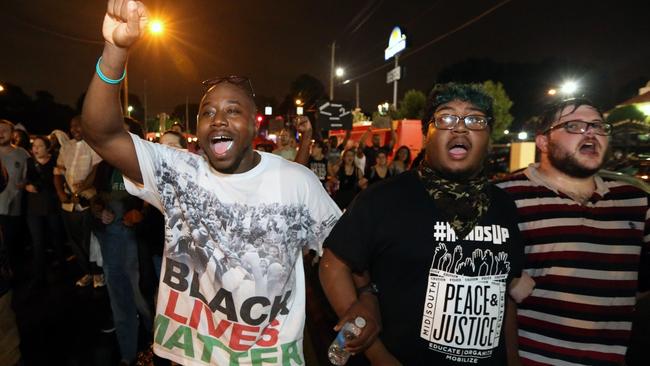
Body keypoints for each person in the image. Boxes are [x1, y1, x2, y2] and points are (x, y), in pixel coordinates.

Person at [80, 2, 341, 365]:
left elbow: (343, 252)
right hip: (190, 357)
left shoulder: (296, 182)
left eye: (233, 111)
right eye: (208, 112)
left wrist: (360, 306)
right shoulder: (178, 173)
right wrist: (116, 50)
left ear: (254, 126)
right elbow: (101, 133)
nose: (218, 120)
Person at [320, 83, 526, 365]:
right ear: (427, 133)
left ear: (488, 135)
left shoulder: (504, 206)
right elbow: (333, 263)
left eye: (475, 120)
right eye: (446, 118)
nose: (460, 128)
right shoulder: (383, 198)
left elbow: (506, 295)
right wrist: (379, 355)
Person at [496, 97, 650, 366]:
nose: (590, 133)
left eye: (598, 126)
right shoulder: (505, 197)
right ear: (543, 141)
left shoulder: (635, 201)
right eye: (574, 126)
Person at [91, 117, 152, 366]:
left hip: (139, 244)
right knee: (119, 299)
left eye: (126, 135)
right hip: (111, 242)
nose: (120, 140)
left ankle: (156, 347)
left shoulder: (147, 165)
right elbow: (96, 199)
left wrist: (142, 215)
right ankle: (127, 353)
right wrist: (99, 211)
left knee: (144, 298)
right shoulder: (104, 166)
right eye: (117, 134)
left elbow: (162, 205)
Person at [53, 117, 104, 288]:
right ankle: (87, 272)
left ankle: (98, 273)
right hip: (68, 203)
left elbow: (96, 170)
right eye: (72, 126)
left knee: (89, 241)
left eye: (78, 126)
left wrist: (81, 190)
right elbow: (58, 172)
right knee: (75, 242)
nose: (74, 129)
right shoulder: (66, 147)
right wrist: (61, 193)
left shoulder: (94, 146)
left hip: (87, 200)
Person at [24, 135, 66, 287]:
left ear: (48, 148)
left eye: (40, 146)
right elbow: (27, 179)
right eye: (34, 146)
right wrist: (27, 185)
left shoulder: (56, 161)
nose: (35, 149)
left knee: (57, 237)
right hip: (34, 207)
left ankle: (62, 269)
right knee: (37, 241)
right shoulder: (29, 162)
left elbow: (56, 182)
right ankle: (39, 275)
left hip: (52, 205)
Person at [0, 120, 30, 275]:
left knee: (12, 246)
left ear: (13, 133)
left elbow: (28, 179)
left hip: (14, 209)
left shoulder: (23, 154)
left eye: (4, 130)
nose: (0, 133)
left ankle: (14, 275)